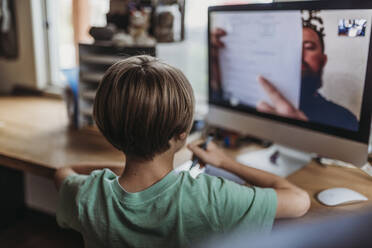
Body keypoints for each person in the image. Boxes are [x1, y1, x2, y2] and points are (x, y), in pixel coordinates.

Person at [54, 55, 310, 248]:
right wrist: (225, 162)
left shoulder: (88, 194)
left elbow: (63, 172)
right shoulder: (211, 198)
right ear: (182, 134)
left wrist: (119, 173)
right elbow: (300, 201)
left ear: (106, 128)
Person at [211, 23, 359, 131]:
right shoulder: (252, 103)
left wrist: (300, 133)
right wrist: (219, 69)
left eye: (308, 48)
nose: (298, 55)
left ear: (323, 60)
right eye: (291, 48)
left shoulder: (344, 119)